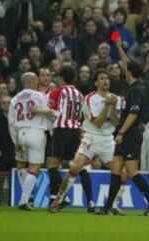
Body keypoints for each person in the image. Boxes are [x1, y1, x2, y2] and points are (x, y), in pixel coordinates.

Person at [95, 38, 149, 216]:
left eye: (126, 70)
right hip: (124, 134)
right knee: (115, 170)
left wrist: (121, 132)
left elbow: (133, 113)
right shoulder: (136, 85)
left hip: (130, 134)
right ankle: (108, 207)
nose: (123, 70)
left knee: (132, 172)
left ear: (129, 73)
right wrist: (119, 47)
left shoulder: (137, 90)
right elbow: (127, 64)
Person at [49, 69, 121, 214]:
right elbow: (98, 123)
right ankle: (58, 200)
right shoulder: (89, 98)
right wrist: (107, 106)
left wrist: (112, 105)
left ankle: (112, 205)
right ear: (95, 82)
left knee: (120, 172)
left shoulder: (116, 99)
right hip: (91, 137)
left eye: (107, 78)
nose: (105, 80)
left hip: (108, 140)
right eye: (101, 78)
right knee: (75, 168)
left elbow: (116, 122)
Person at [36, 66, 85, 211]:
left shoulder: (58, 92)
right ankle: (54, 199)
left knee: (51, 165)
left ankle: (63, 197)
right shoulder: (80, 94)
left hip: (61, 132)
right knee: (71, 167)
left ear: (61, 78)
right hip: (75, 132)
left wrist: (36, 110)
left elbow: (53, 111)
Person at [8, 72, 51, 211]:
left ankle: (27, 198)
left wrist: (15, 141)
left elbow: (11, 122)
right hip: (36, 132)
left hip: (20, 133)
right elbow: (47, 113)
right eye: (36, 80)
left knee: (21, 165)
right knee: (34, 169)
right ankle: (24, 200)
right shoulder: (39, 96)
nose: (38, 82)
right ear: (32, 81)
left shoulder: (14, 99)